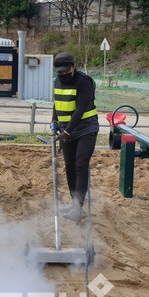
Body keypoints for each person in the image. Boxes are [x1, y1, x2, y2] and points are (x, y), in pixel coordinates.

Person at [51, 52, 99, 222]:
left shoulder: (84, 82)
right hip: (67, 130)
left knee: (80, 164)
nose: (62, 76)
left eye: (65, 72)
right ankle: (74, 203)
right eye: (59, 73)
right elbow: (57, 102)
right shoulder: (57, 81)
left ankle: (78, 207)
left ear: (73, 67)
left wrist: (67, 133)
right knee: (70, 166)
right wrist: (54, 119)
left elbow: (80, 110)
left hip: (86, 129)